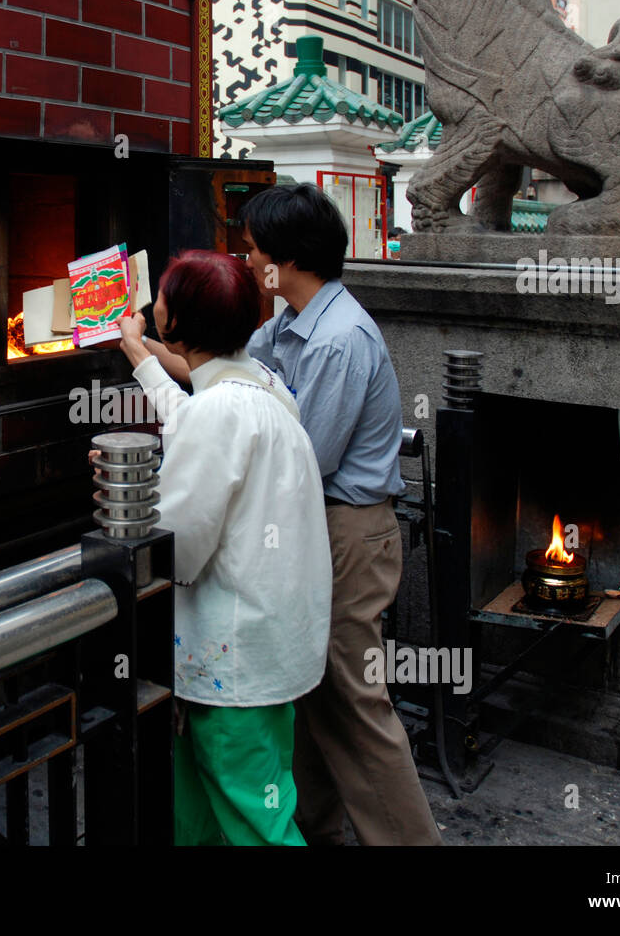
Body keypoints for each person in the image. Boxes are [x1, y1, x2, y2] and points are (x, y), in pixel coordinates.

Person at [136, 184, 442, 845]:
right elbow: (217, 368)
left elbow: (304, 457)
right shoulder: (288, 325)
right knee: (310, 697)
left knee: (356, 706)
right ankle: (308, 826)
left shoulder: (336, 339)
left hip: (345, 529)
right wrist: (142, 349)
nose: (245, 264)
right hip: (313, 526)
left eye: (252, 252)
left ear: (289, 261)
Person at [113, 249, 332, 846]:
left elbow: (177, 549)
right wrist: (139, 357)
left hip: (231, 669)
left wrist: (130, 492)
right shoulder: (259, 386)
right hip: (265, 649)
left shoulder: (220, 413)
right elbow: (198, 420)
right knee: (203, 819)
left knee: (258, 829)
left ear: (176, 321)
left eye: (160, 295)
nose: (151, 304)